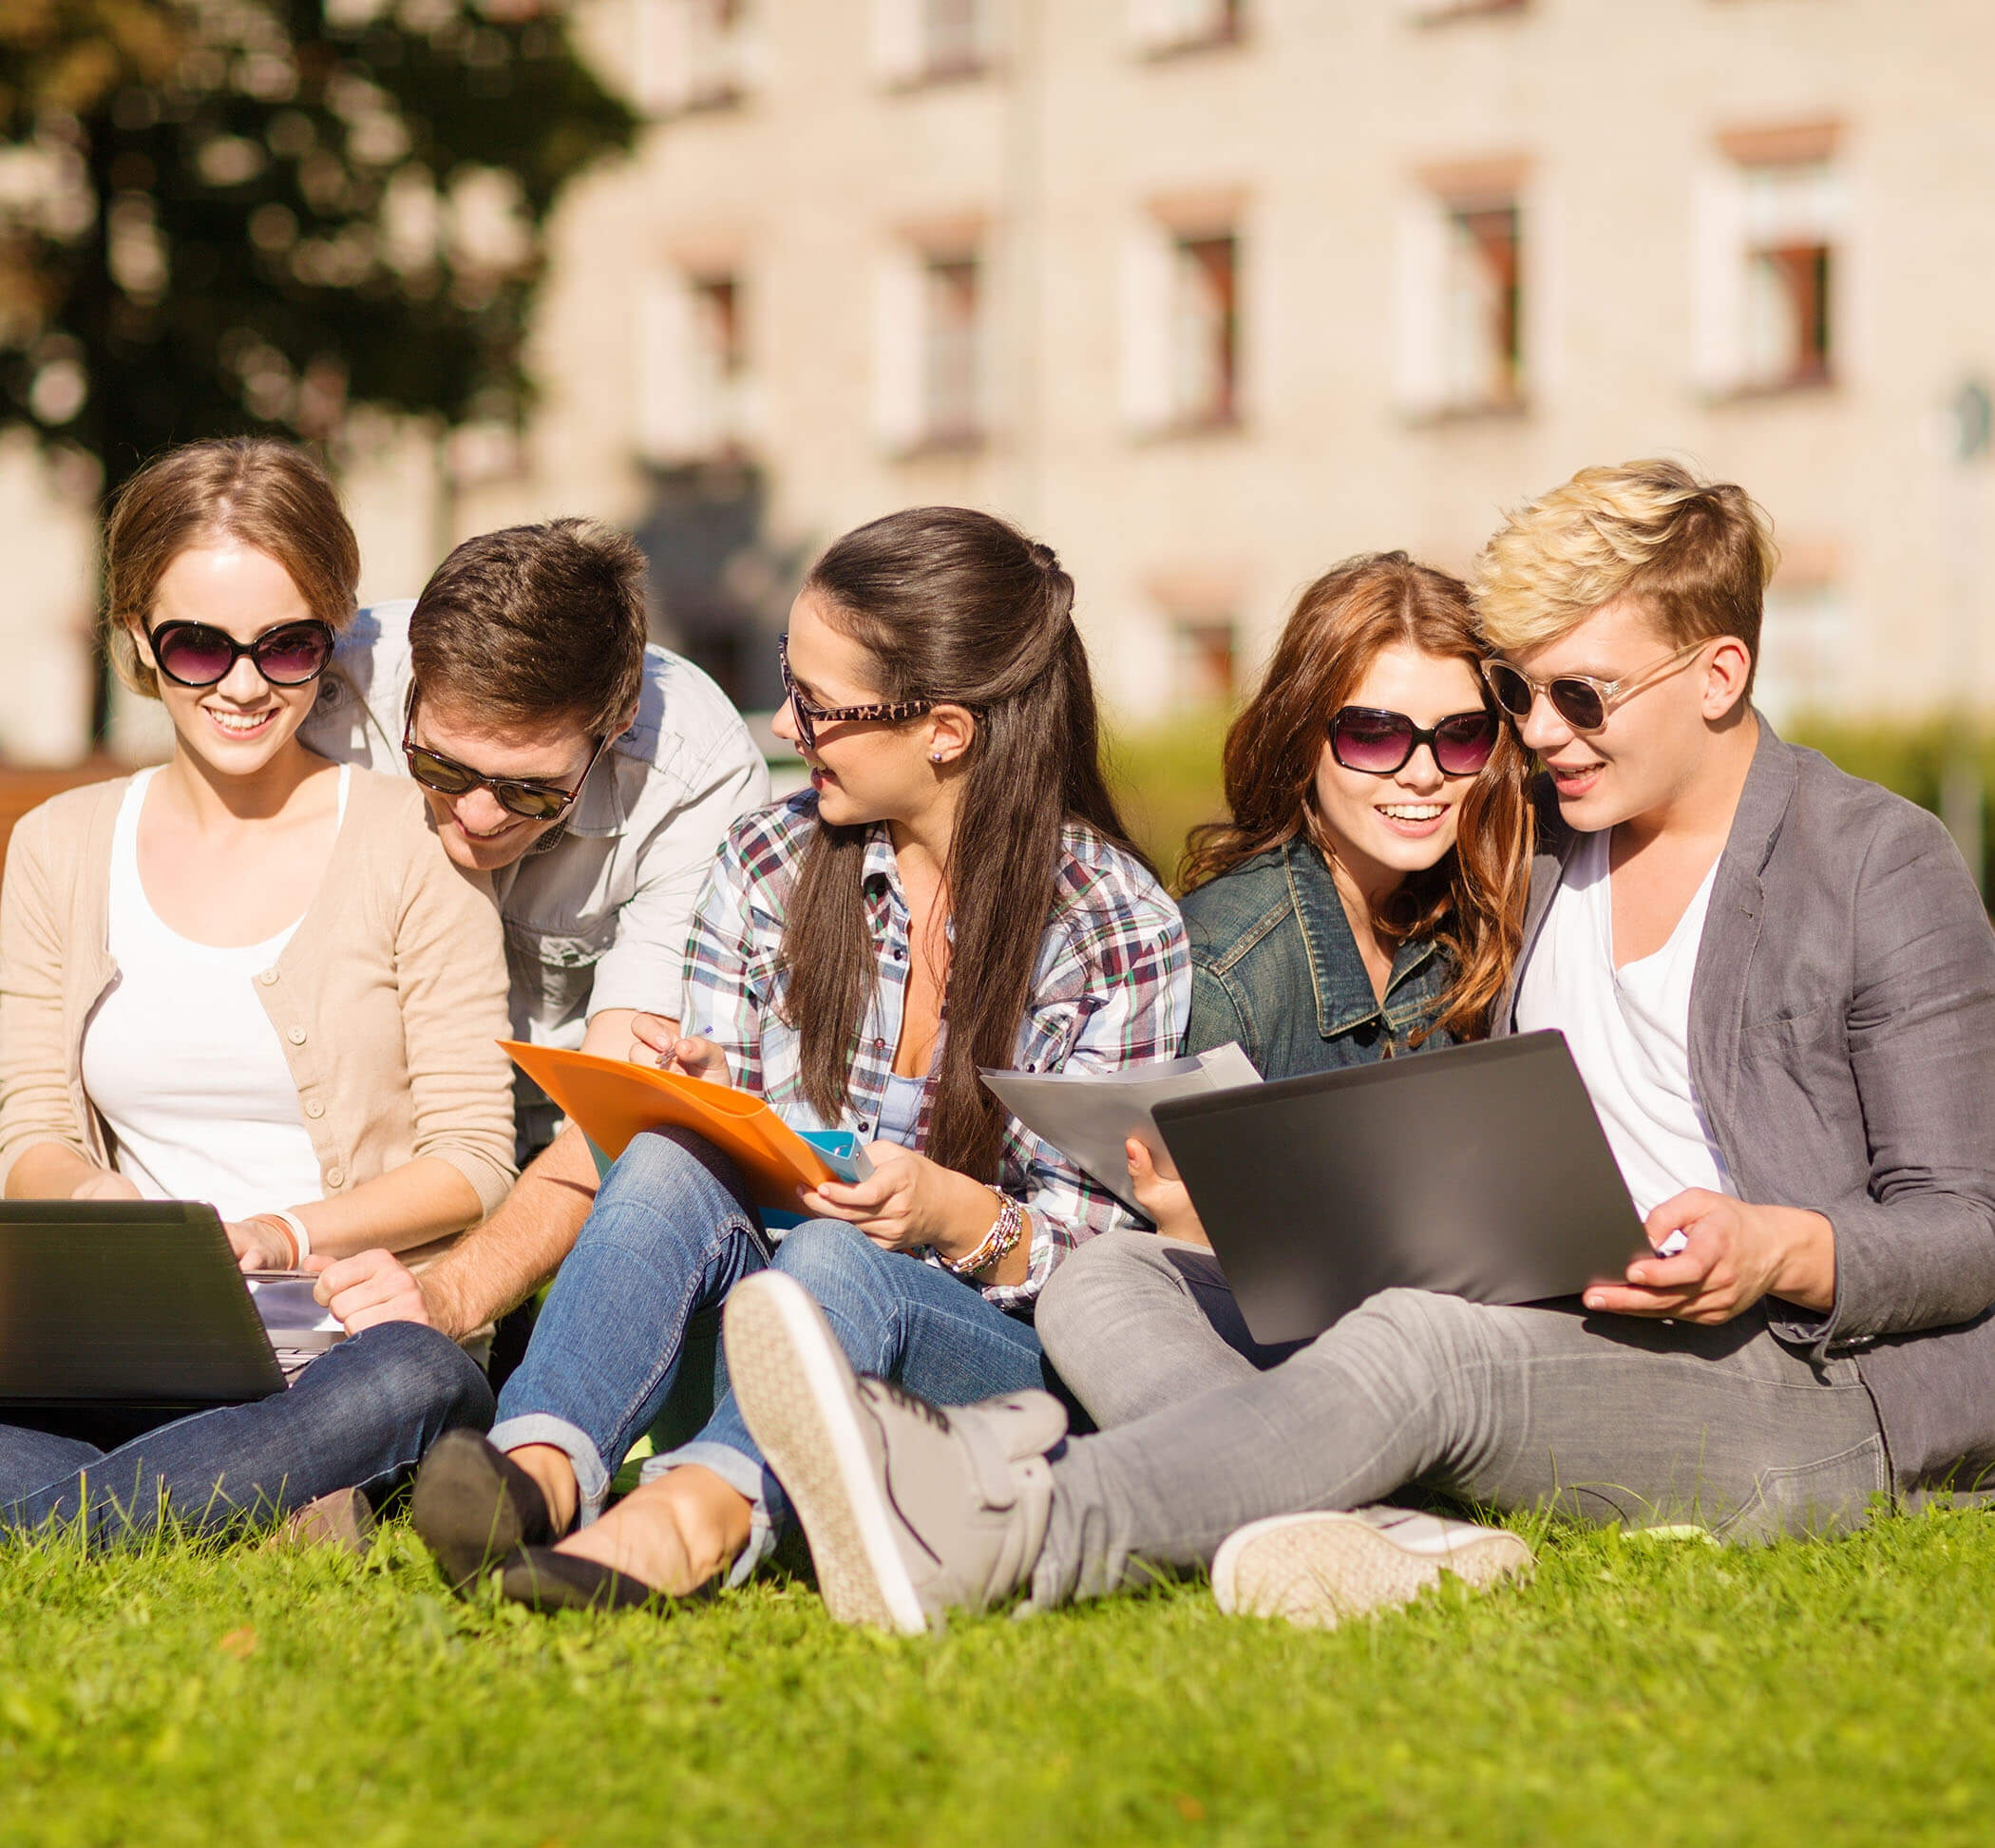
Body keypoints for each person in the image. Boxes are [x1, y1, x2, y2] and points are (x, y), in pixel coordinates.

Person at [724, 459, 1995, 1635]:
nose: (1540, 735)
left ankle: (1011, 1529)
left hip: (1806, 1381)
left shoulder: (1875, 864)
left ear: (1719, 678)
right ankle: (1366, 1531)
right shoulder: (1538, 850)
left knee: (1421, 1348)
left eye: (1581, 696)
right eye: (1521, 696)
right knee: (1108, 1280)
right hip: (1552, 1322)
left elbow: (1970, 1222)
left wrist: (1778, 1243)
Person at [406, 506, 1189, 1608]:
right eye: (789, 677)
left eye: (816, 706)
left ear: (947, 733)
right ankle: (535, 1471)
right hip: (766, 1312)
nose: (785, 721)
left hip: (989, 1361)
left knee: (839, 1262)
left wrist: (955, 1214)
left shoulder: (1108, 927)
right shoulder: (769, 856)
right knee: (673, 1159)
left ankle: (689, 1522)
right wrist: (702, 1102)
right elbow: (726, 1154)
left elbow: (1110, 1273)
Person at [0, 438, 516, 1544]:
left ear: (329, 641)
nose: (242, 685)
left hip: (347, 1354)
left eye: (286, 648)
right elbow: (32, 1131)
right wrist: (106, 1210)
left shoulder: (412, 844)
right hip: (131, 1359)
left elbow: (473, 1157)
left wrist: (287, 1231)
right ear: (138, 636)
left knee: (408, 1385)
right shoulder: (57, 847)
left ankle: (144, 1502)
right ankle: (231, 1503)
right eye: (198, 646)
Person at [1036, 554, 1531, 1429]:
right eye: (1375, 734)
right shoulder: (1227, 961)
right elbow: (1155, 1267)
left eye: (1460, 736)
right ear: (1304, 738)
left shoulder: (1479, 921)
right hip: (1253, 1353)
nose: (1423, 775)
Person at [296, 521, 769, 1360]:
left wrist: (450, 1296)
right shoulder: (329, 685)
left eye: (531, 792)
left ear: (616, 722)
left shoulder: (698, 774)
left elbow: (616, 1104)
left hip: (559, 1150)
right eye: (439, 768)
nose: (475, 818)